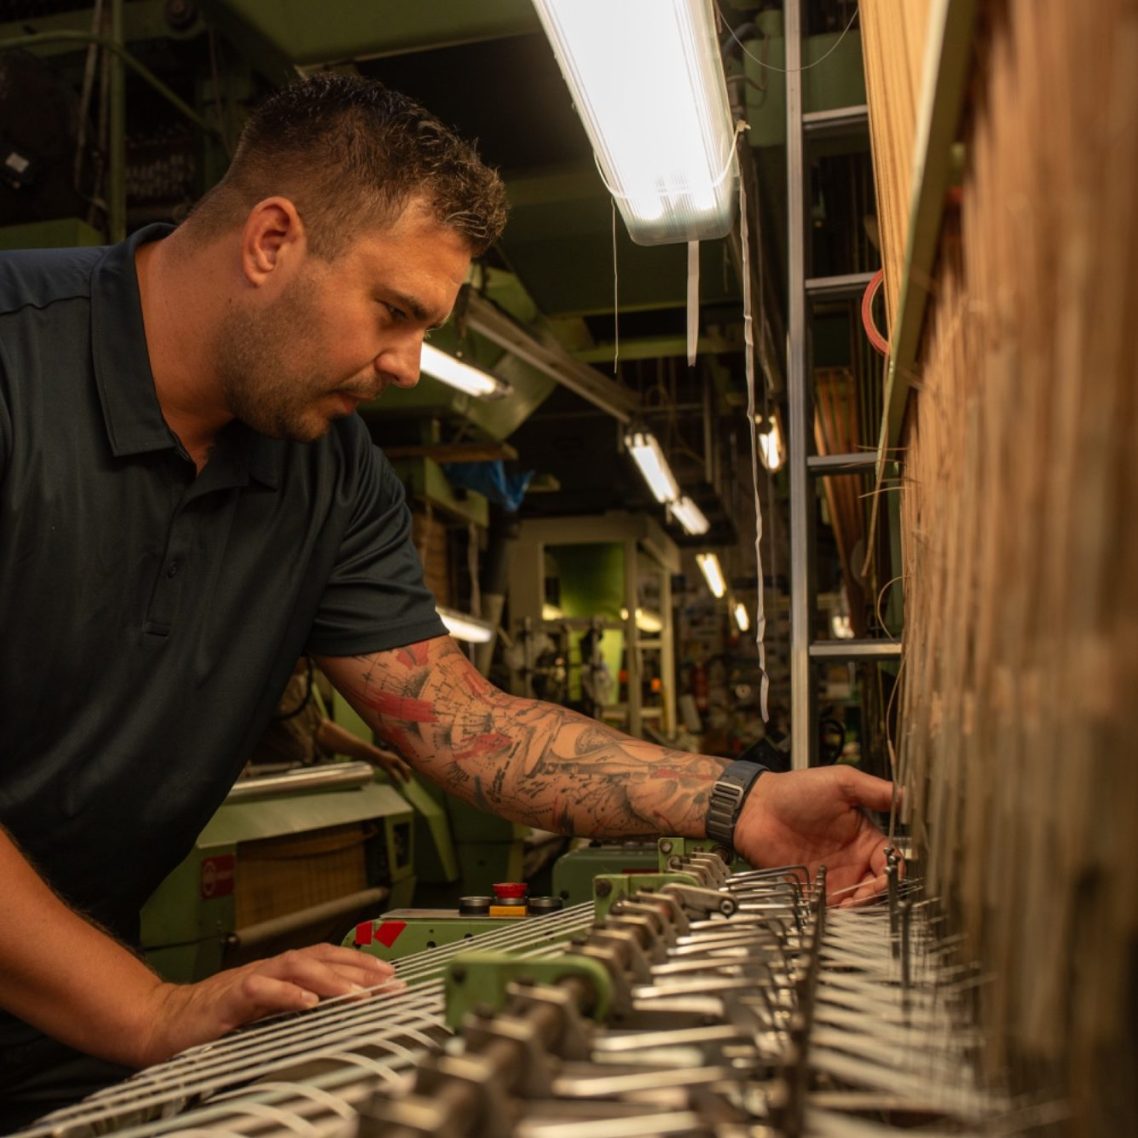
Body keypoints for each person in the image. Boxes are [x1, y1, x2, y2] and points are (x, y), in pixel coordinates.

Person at [0, 74, 895, 1127]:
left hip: (58, 1025)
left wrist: (744, 800)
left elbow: (464, 723)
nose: (409, 366)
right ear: (271, 241)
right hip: (106, 1003)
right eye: (395, 312)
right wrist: (151, 1011)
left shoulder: (328, 472)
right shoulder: (17, 359)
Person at [247, 656, 412, 780]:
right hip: (272, 781)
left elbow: (320, 728)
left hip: (305, 774)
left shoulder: (299, 681)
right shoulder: (256, 684)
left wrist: (376, 755)